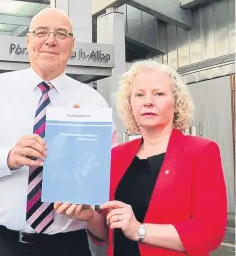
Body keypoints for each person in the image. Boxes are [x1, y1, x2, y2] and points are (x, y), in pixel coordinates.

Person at [0, 8, 111, 256]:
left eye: (61, 33)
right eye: (41, 32)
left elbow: (104, 174)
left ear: (72, 45)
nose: (50, 40)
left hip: (68, 245)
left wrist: (88, 201)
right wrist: (7, 158)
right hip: (1, 243)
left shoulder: (94, 103)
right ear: (28, 41)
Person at [55, 59, 228, 256]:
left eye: (159, 94)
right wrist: (90, 217)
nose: (148, 101)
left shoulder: (201, 151)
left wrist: (140, 230)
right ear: (130, 104)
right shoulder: (117, 155)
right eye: (139, 94)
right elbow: (107, 234)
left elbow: (209, 233)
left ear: (176, 102)